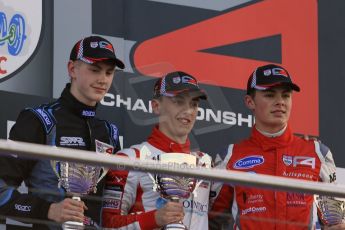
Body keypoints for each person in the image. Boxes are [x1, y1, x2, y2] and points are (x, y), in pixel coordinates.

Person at [0, 35, 124, 229]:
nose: (102, 79)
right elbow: (1, 192)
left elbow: (114, 207)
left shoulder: (109, 133)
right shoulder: (39, 120)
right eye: (94, 70)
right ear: (72, 69)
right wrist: (48, 210)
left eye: (109, 73)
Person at [210, 64, 344, 229]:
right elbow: (210, 220)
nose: (280, 102)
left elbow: (333, 219)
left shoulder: (318, 153)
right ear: (250, 101)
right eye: (270, 95)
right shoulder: (229, 157)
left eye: (286, 95)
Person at [102, 71, 212, 229]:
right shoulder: (130, 159)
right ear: (156, 106)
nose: (188, 110)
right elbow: (108, 225)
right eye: (179, 101)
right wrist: (154, 219)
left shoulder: (206, 163)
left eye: (194, 104)